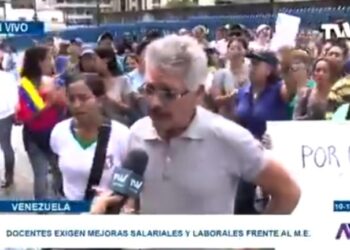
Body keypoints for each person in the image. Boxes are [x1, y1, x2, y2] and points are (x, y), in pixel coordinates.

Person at [91, 34, 300, 215]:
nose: (154, 102)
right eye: (149, 89)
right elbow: (129, 195)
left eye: (169, 94)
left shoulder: (229, 138)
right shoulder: (137, 133)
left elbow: (288, 192)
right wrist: (116, 204)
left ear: (198, 94)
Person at [50, 73, 130, 201]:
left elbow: (133, 181)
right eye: (72, 99)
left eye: (83, 98)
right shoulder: (59, 132)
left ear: (100, 100)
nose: (76, 105)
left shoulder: (122, 135)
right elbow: (57, 171)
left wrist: (117, 199)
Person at [15, 46, 65, 199]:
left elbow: (62, 109)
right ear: (39, 62)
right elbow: (23, 118)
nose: (52, 62)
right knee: (41, 175)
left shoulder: (53, 81)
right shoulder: (25, 86)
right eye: (48, 59)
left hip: (56, 135)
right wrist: (49, 104)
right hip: (35, 137)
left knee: (59, 173)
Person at [0, 51, 18, 188]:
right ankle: (9, 177)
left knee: (6, 147)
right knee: (6, 146)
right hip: (5, 115)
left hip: (5, 114)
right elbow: (14, 98)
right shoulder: (9, 77)